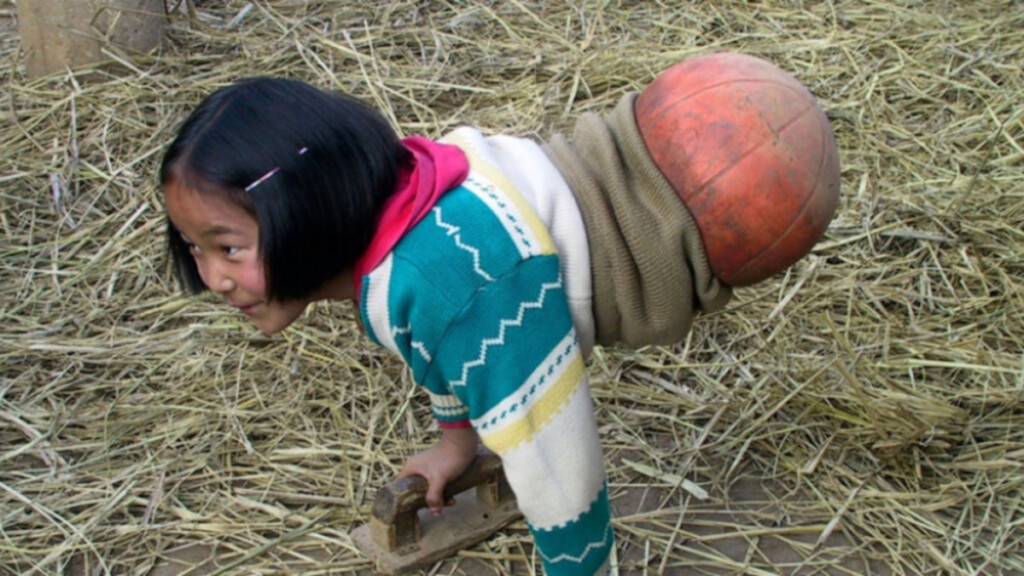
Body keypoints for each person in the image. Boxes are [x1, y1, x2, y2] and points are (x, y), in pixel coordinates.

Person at [161, 62, 837, 575]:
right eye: (196, 248)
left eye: (229, 248)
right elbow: (440, 345)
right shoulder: (398, 217)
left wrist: (579, 564)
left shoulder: (456, 284)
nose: (213, 278)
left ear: (305, 213)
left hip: (699, 205)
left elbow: (556, 455)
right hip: (682, 125)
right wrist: (458, 445)